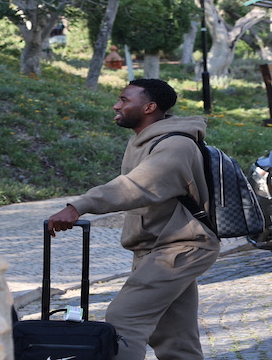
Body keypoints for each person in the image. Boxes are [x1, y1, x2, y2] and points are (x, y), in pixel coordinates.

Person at [47, 79, 220, 359]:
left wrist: (79, 206)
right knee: (175, 337)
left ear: (150, 107)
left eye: (125, 100)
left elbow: (135, 186)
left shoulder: (176, 145)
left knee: (124, 318)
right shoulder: (143, 141)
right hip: (156, 247)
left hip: (181, 247)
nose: (117, 105)